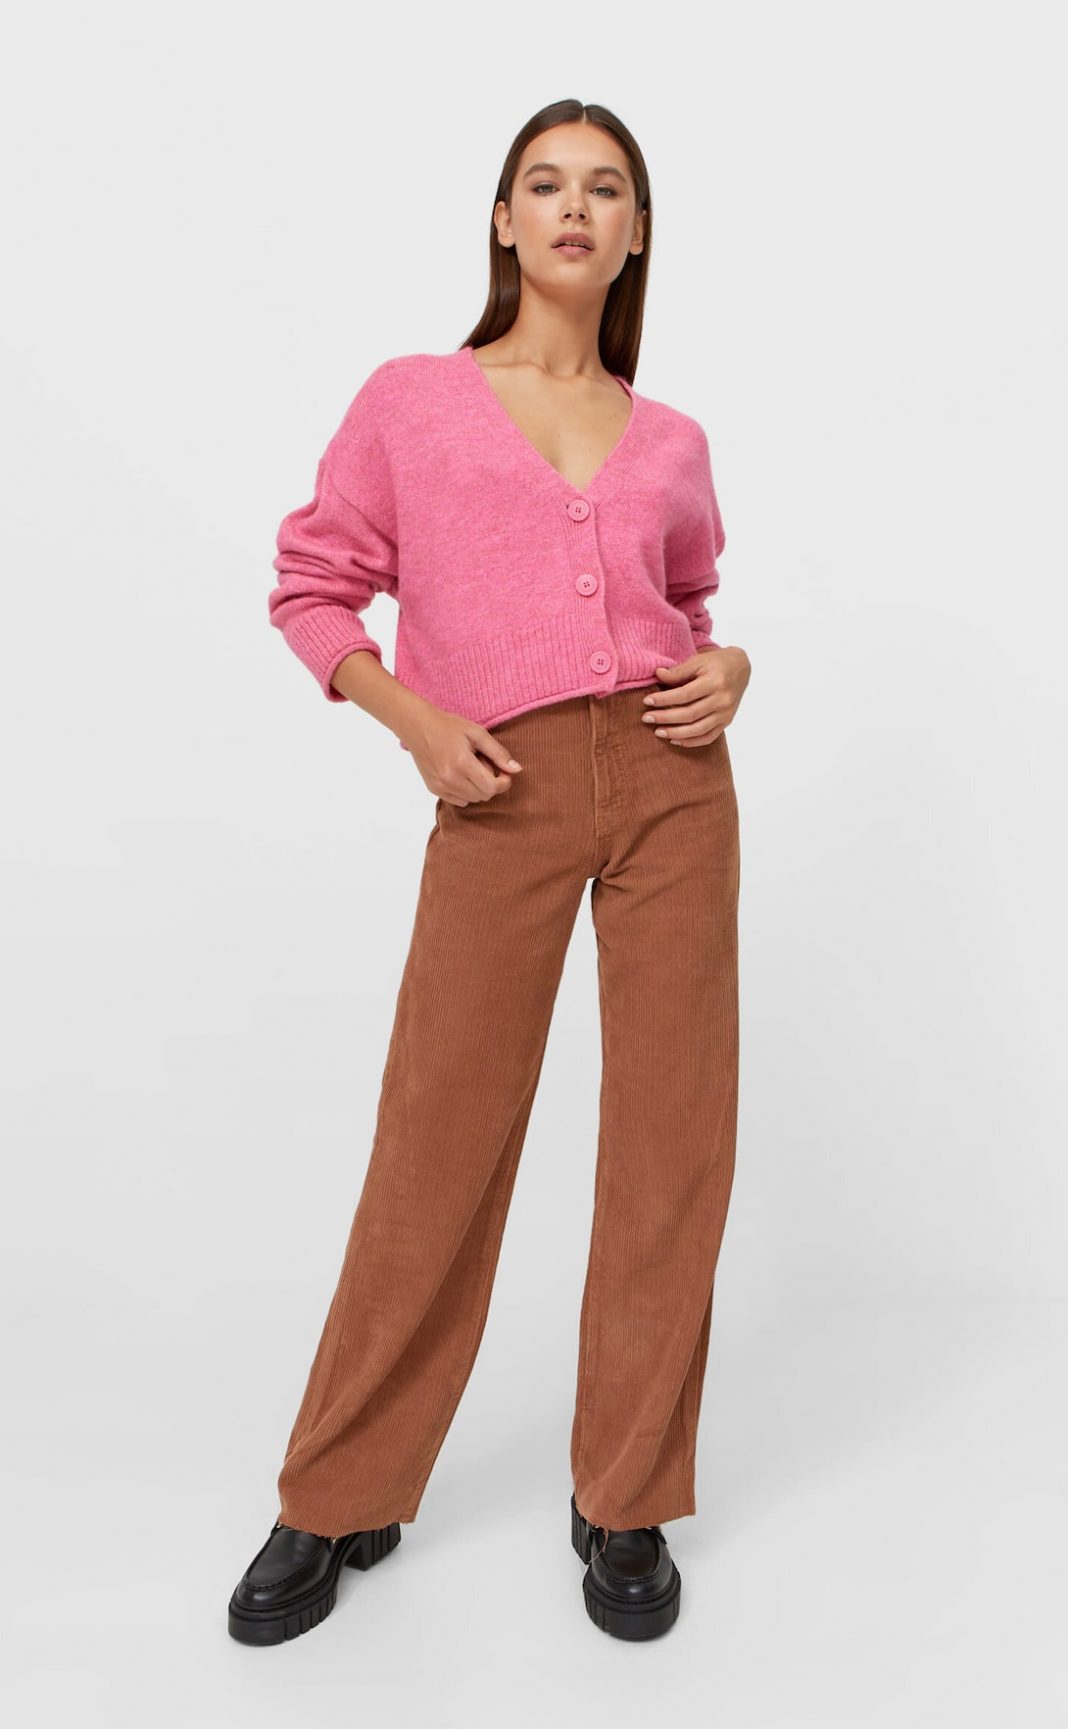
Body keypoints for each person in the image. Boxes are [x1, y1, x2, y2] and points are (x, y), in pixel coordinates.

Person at [228, 97, 752, 1649]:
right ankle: (339, 1491)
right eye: (546, 183)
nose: (576, 206)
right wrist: (416, 725)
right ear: (505, 221)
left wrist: (731, 669)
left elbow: (691, 609)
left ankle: (626, 1493)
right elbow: (314, 589)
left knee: (670, 1145)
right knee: (436, 1141)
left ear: (636, 234)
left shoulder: (671, 437)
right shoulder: (414, 401)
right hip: (497, 788)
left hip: (674, 791)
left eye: (607, 188)